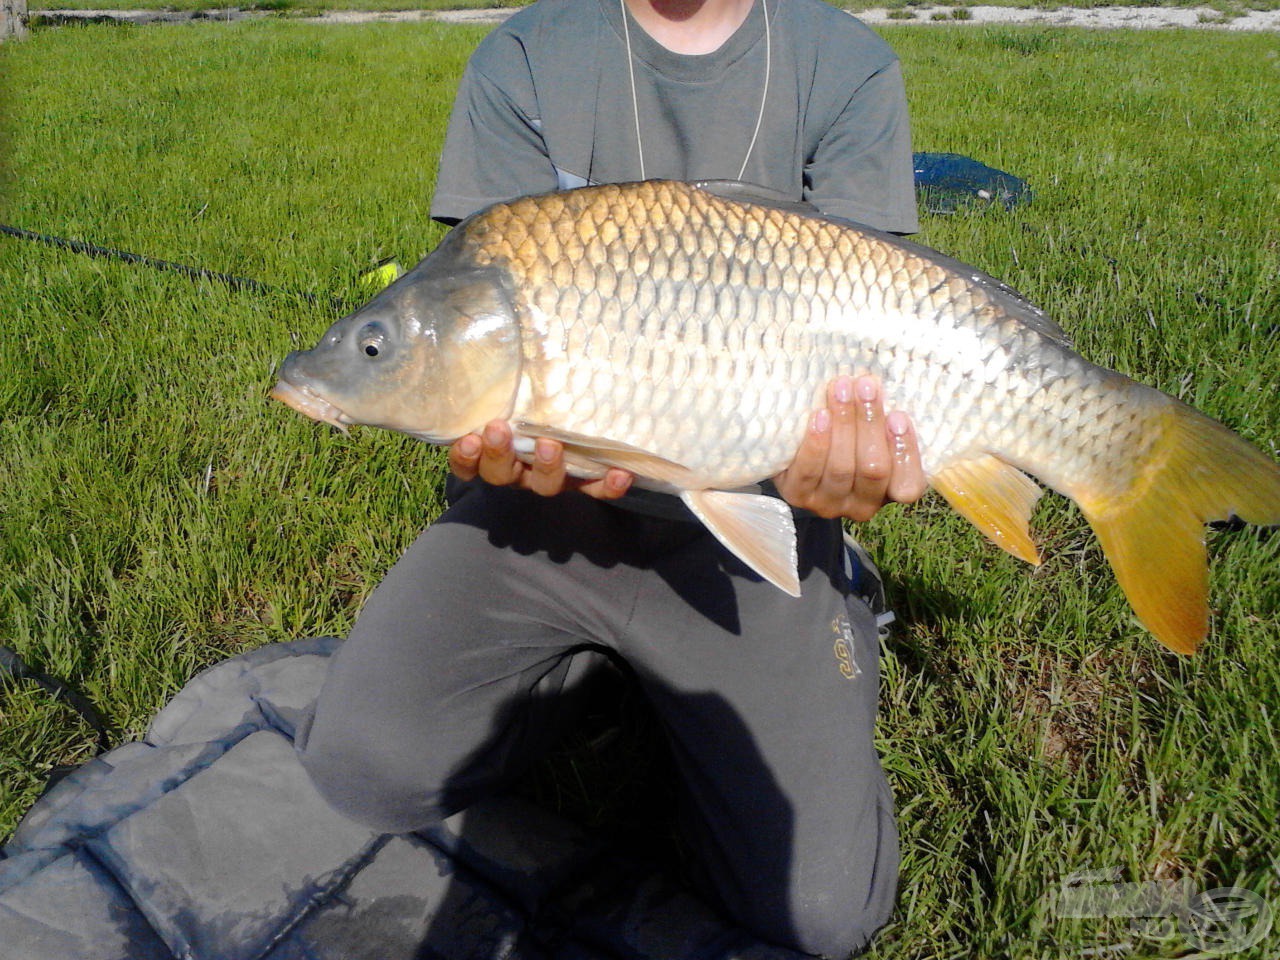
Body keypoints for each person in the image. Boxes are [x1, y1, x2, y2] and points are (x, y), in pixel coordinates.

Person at [297, 0, 926, 954]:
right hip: (543, 517)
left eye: (374, 347)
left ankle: (834, 598)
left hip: (753, 519)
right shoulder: (526, 56)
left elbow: (877, 311)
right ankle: (593, 670)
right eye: (375, 348)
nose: (368, 356)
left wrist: (854, 468)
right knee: (360, 766)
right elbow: (464, 278)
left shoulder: (846, 65)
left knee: (822, 913)